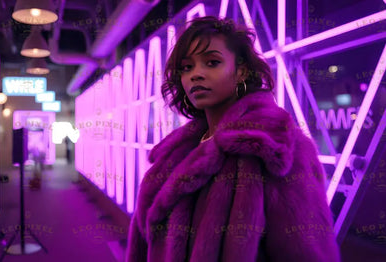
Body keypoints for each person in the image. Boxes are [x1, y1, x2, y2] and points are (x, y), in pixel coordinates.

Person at [126, 16, 341, 262]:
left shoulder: (277, 148)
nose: (196, 74)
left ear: (241, 72)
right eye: (187, 67)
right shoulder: (176, 152)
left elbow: (308, 252)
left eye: (212, 62)